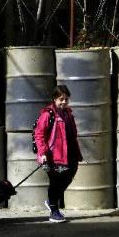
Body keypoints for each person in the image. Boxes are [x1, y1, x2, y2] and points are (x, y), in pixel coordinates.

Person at [34, 84, 83, 223]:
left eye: (66, 99)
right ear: (54, 99)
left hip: (69, 153)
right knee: (55, 182)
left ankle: (51, 201)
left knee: (70, 174)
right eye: (61, 99)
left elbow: (72, 135)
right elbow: (39, 134)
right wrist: (42, 152)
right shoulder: (47, 114)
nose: (64, 102)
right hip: (52, 155)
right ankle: (54, 212)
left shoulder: (68, 113)